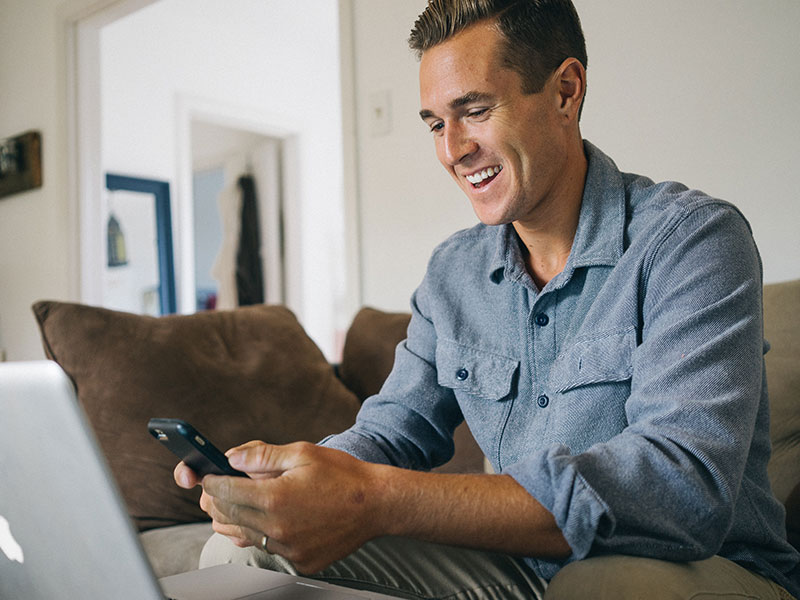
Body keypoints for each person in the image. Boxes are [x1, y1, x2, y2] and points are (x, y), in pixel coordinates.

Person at [174, 1, 800, 598]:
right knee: (240, 554)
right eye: (435, 124)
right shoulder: (453, 272)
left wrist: (377, 498)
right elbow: (392, 433)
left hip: (707, 570)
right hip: (523, 572)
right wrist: (287, 484)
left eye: (474, 111)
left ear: (565, 91)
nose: (451, 150)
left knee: (601, 585)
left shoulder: (693, 241)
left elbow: (681, 491)